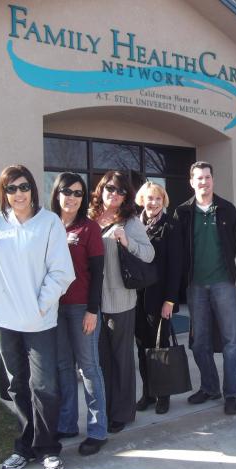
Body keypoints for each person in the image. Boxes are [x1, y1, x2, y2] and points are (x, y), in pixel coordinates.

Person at [0, 164, 74, 469]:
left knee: (44, 385)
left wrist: (40, 306)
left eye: (23, 187)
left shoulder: (49, 224)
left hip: (38, 320)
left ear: (33, 189)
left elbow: (61, 272)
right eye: (11, 188)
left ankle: (48, 448)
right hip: (3, 319)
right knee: (17, 384)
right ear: (4, 193)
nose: (18, 194)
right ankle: (26, 445)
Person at [173, 161, 236, 415]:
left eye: (207, 177)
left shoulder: (227, 209)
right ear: (192, 182)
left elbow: (233, 242)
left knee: (231, 341)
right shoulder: (183, 213)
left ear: (213, 180)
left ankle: (232, 393)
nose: (204, 182)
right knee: (199, 341)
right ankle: (210, 386)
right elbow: (179, 249)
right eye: (199, 178)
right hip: (196, 286)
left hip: (223, 282)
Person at [89, 171, 154, 433]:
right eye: (109, 189)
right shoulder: (90, 219)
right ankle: (105, 408)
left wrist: (127, 241)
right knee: (99, 360)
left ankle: (122, 412)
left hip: (120, 301)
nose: (114, 194)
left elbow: (149, 254)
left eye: (120, 191)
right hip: (93, 303)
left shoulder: (130, 222)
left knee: (121, 359)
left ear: (126, 195)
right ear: (101, 190)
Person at [49, 172, 108, 456]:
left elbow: (98, 274)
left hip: (81, 307)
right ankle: (67, 423)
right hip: (53, 309)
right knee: (62, 367)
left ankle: (97, 430)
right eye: (66, 191)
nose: (71, 198)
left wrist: (92, 311)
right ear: (57, 193)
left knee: (89, 369)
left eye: (77, 193)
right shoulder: (48, 226)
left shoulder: (89, 229)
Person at [134, 181, 181, 414]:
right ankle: (148, 393)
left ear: (163, 202)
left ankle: (164, 395)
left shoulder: (170, 226)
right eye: (149, 198)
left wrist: (170, 300)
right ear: (142, 200)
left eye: (158, 199)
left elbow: (176, 266)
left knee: (160, 348)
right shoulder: (134, 225)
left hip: (160, 297)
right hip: (136, 299)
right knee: (142, 348)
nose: (153, 203)